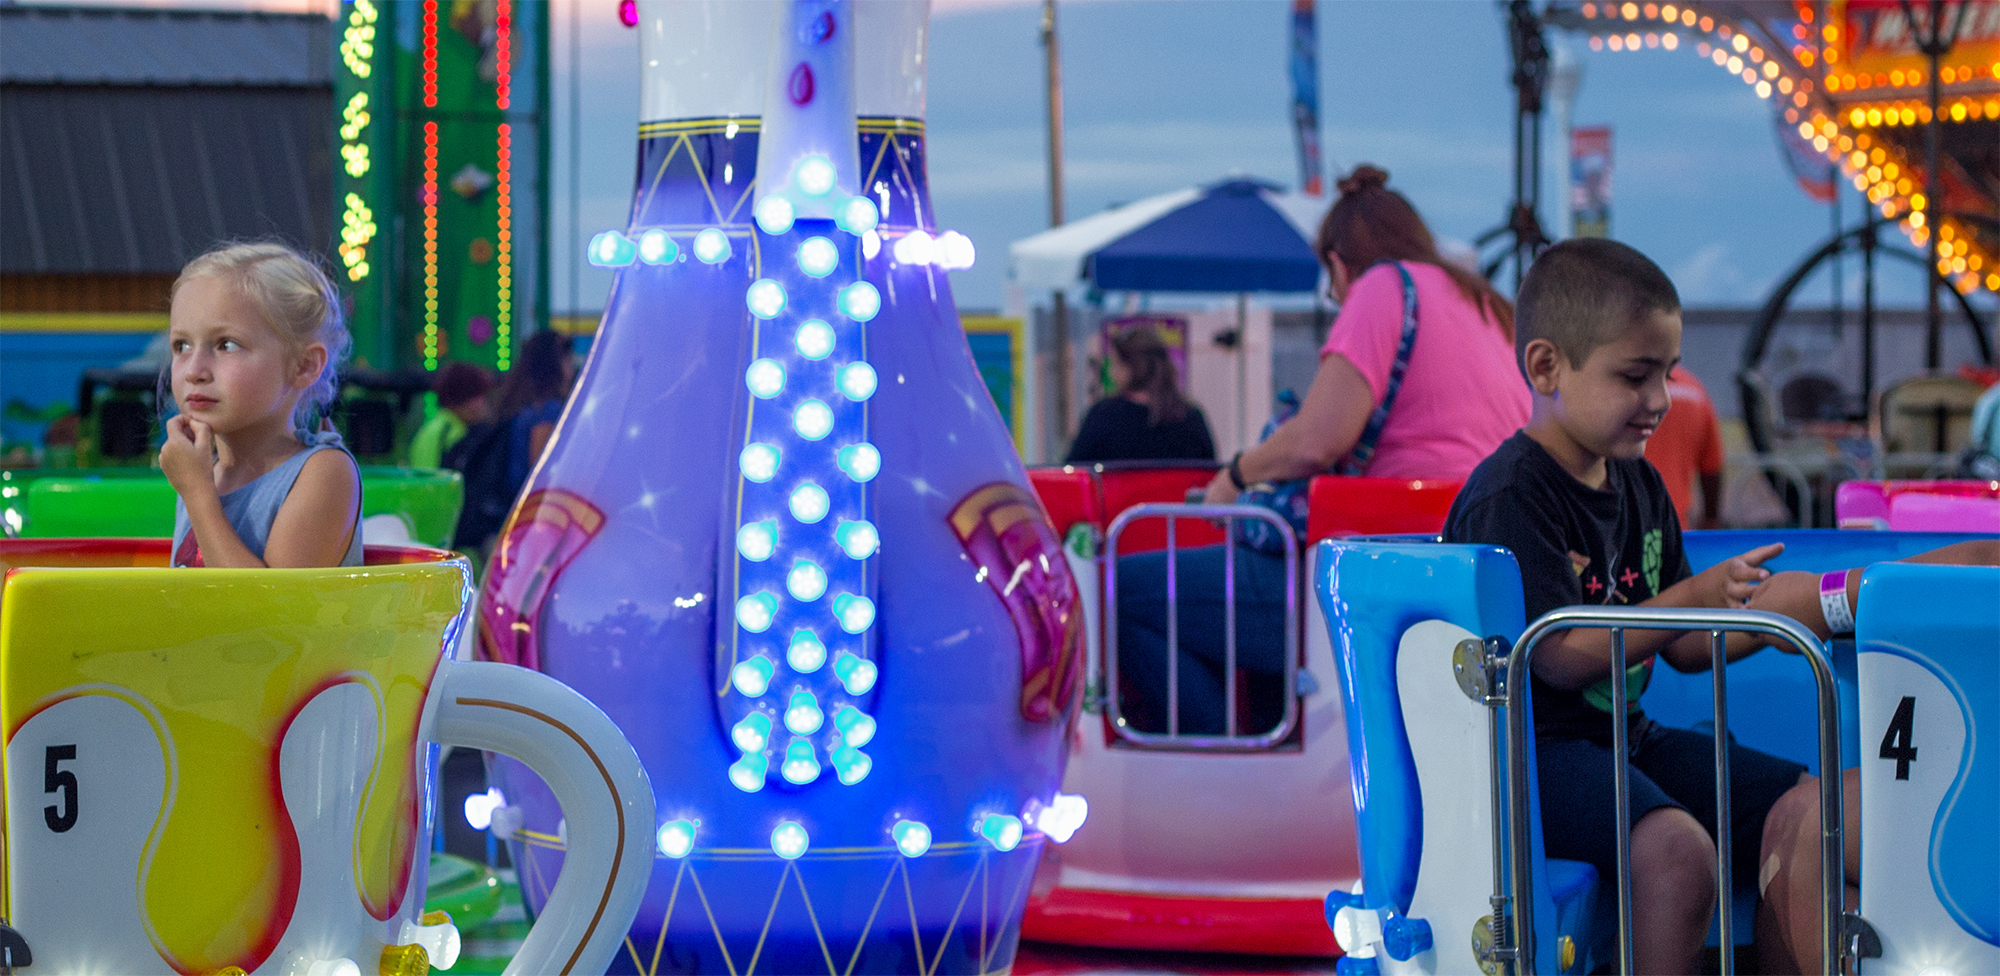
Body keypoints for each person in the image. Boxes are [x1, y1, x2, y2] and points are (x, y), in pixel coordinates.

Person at [1443, 238, 1997, 973]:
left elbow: (1685, 646)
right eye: (1634, 376)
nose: (1659, 401)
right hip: (1533, 755)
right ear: (1547, 367)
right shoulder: (1515, 494)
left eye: (1666, 375)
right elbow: (1560, 656)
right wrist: (1691, 598)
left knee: (1807, 809)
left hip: (1626, 739)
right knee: (1679, 859)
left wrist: (1765, 619)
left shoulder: (1635, 483)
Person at [1117, 165, 1531, 736]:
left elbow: (1318, 438)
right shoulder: (1486, 304)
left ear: (1338, 263)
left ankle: (1217, 774)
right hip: (1476, 563)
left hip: (1378, 568)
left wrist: (1235, 476)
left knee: (1123, 590)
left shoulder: (1384, 287)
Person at [159, 242, 361, 568]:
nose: (194, 371)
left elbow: (271, 610)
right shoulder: (206, 472)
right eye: (181, 345)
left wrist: (198, 494)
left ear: (304, 366)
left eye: (226, 344)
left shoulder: (324, 472)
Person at [1065, 326, 1215, 463]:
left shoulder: (1103, 415)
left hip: (1116, 494)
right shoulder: (1190, 416)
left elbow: (1074, 470)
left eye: (1115, 362)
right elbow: (1207, 473)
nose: (1111, 371)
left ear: (1128, 366)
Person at [1644, 363, 1726, 529]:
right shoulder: (1695, 390)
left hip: (1624, 528)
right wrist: (1711, 520)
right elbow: (1712, 467)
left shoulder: (1624, 388)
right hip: (1677, 526)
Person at [496, 330, 577, 491]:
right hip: (529, 504)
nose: (572, 366)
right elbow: (541, 472)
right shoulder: (547, 410)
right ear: (554, 365)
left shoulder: (518, 402)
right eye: (567, 359)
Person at [410, 361, 496, 469]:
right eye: (480, 396)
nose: (483, 404)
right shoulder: (451, 433)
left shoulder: (433, 426)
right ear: (465, 399)